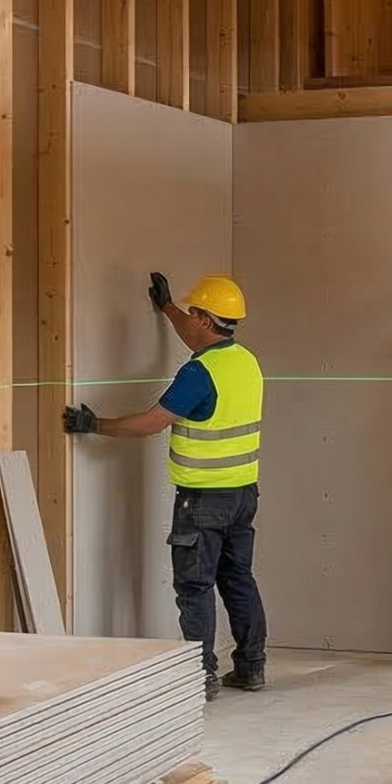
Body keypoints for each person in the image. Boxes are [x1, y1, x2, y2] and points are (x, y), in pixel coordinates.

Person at [63, 273, 265, 701]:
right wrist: (169, 307)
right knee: (238, 580)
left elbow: (152, 422)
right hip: (243, 494)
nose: (188, 321)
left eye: (193, 314)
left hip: (202, 499)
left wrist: (93, 424)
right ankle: (251, 667)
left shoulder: (198, 373)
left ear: (206, 320)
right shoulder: (246, 361)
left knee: (194, 587)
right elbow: (197, 335)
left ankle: (201, 675)